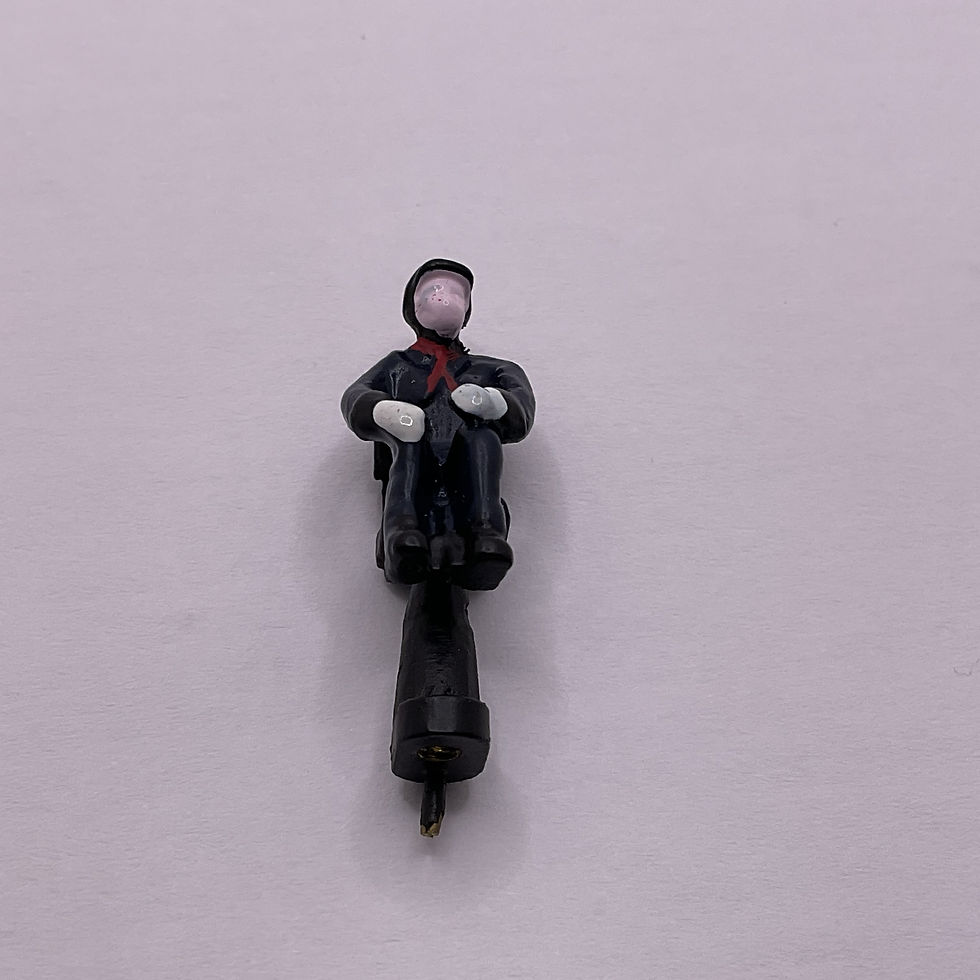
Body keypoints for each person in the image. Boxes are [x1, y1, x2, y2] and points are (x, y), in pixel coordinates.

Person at [341, 258, 535, 590]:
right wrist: (383, 411)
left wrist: (492, 402)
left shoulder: (493, 369)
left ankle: (484, 532)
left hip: (469, 472)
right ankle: (402, 533)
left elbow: (522, 410)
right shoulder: (396, 365)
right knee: (410, 440)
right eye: (432, 289)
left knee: (481, 437)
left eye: (457, 292)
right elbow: (355, 397)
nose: (443, 297)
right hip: (413, 465)